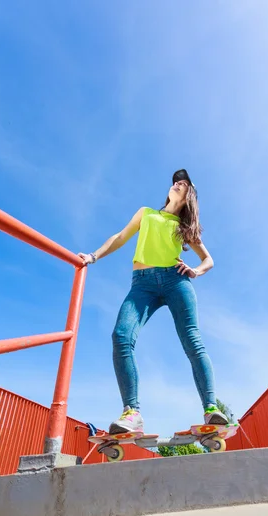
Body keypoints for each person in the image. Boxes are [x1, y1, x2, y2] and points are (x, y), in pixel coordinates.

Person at [78, 169, 228, 434]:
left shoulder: (185, 228)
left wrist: (195, 270)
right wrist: (94, 256)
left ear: (189, 196)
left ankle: (211, 409)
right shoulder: (146, 213)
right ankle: (132, 413)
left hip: (176, 281)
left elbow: (209, 260)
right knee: (121, 336)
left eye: (184, 184)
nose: (178, 184)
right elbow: (120, 237)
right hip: (142, 284)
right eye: (176, 182)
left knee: (192, 341)